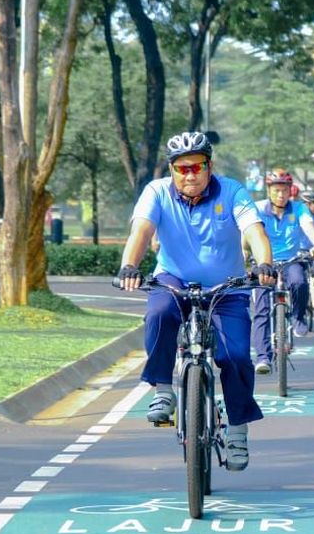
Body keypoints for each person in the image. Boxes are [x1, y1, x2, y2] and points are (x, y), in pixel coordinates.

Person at [114, 131, 276, 471]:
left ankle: (237, 431)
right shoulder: (156, 192)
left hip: (227, 287)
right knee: (158, 312)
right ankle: (162, 389)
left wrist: (264, 264)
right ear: (172, 170)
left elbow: (253, 231)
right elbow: (142, 231)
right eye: (182, 168)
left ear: (209, 166)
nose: (190, 175)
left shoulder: (232, 191)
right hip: (173, 278)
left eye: (197, 167)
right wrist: (130, 265)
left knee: (234, 357)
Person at [246, 169, 314, 373]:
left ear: (290, 191)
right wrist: (243, 255)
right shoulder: (257, 209)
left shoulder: (299, 208)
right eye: (276, 190)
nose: (281, 195)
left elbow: (307, 224)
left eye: (284, 190)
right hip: (265, 263)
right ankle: (263, 357)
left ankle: (298, 317)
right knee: (262, 309)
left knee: (299, 282)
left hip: (292, 260)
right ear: (269, 190)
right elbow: (247, 232)